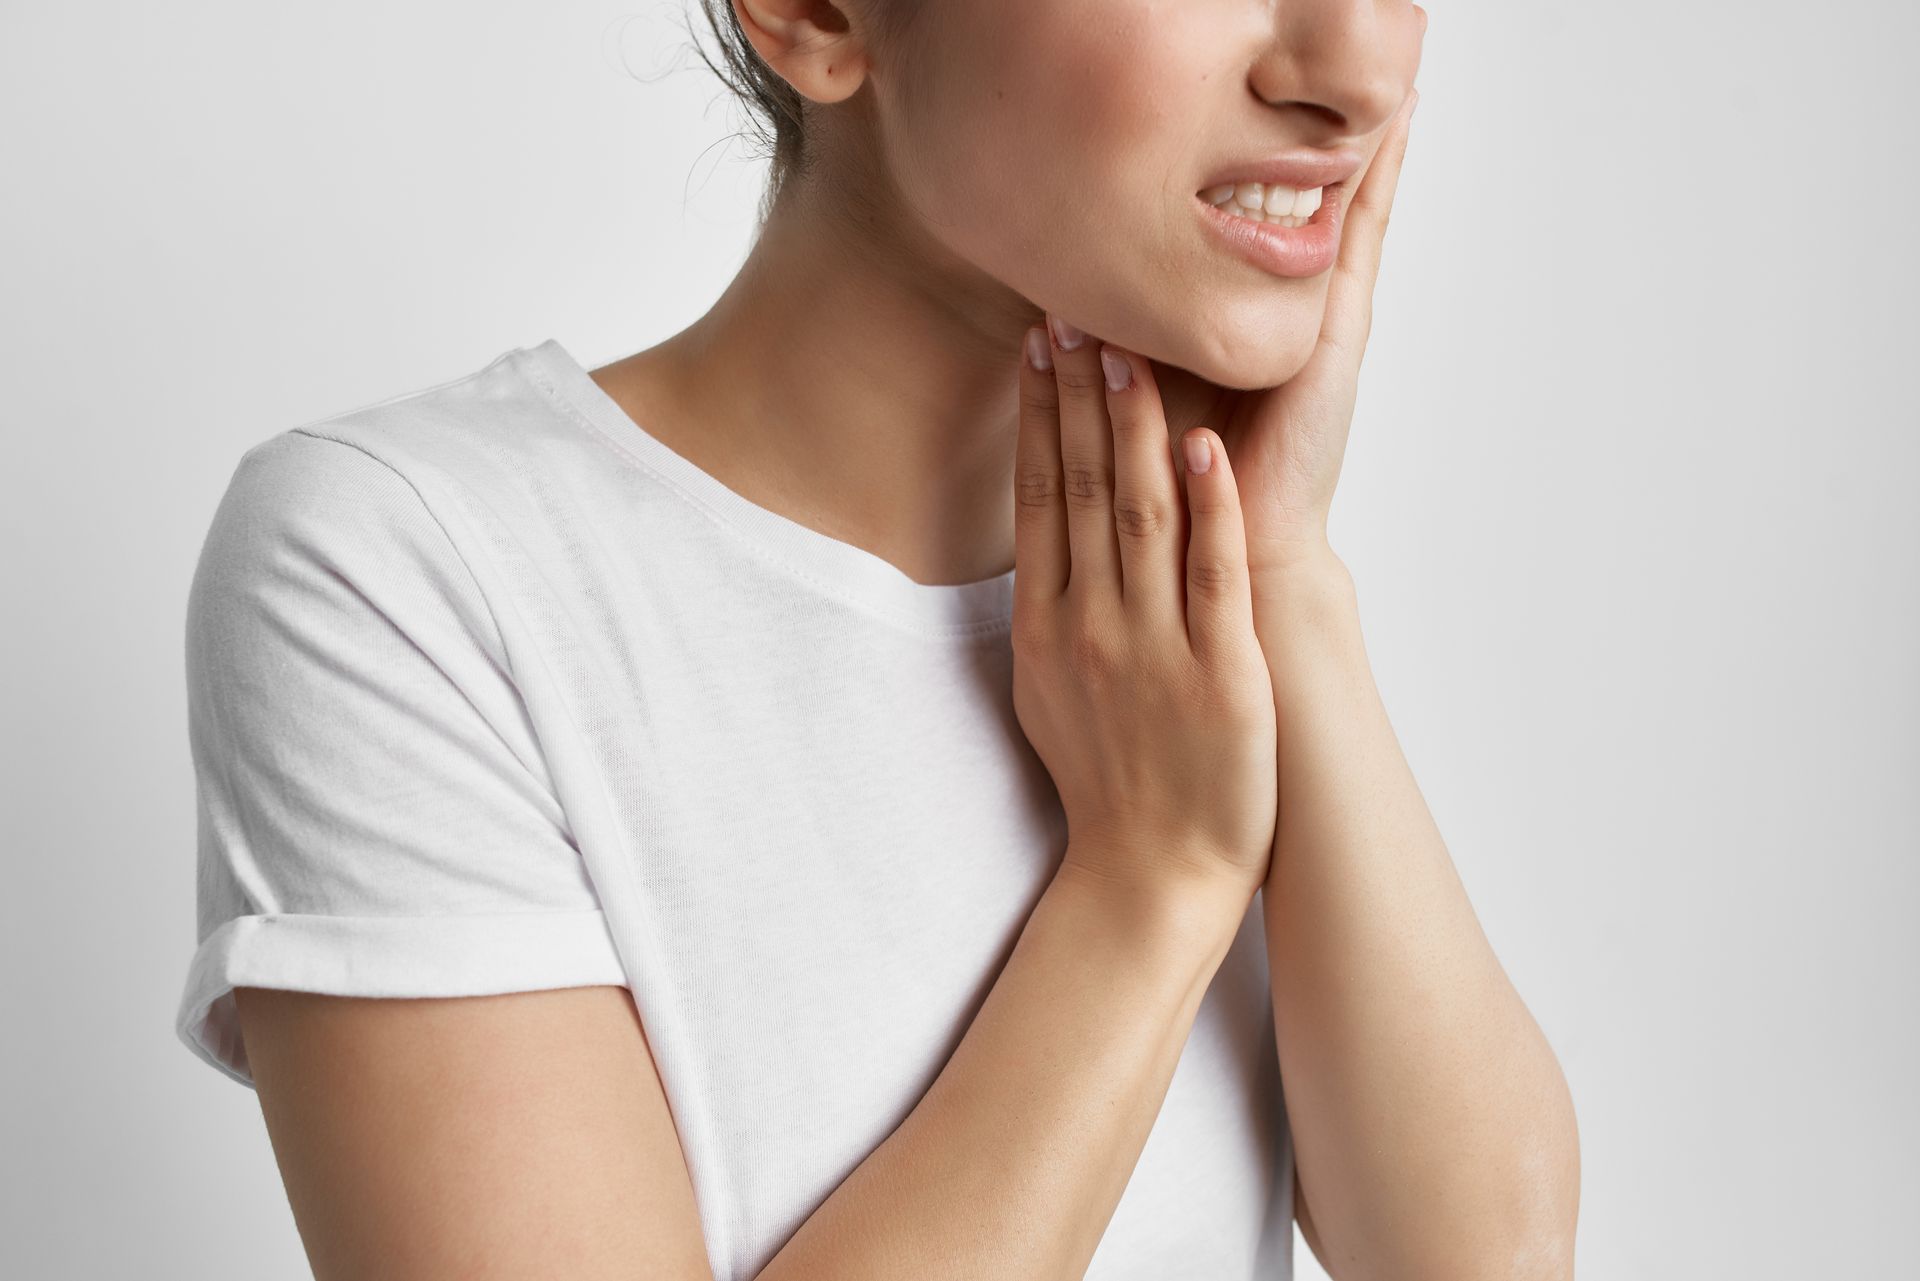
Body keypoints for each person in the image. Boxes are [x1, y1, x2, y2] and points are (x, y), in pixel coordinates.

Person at [173, 1, 1579, 1277]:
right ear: (816, 13)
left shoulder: (1186, 600)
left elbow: (1487, 1265)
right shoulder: (413, 567)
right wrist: (1152, 881)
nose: (1361, 68)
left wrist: (1281, 576)